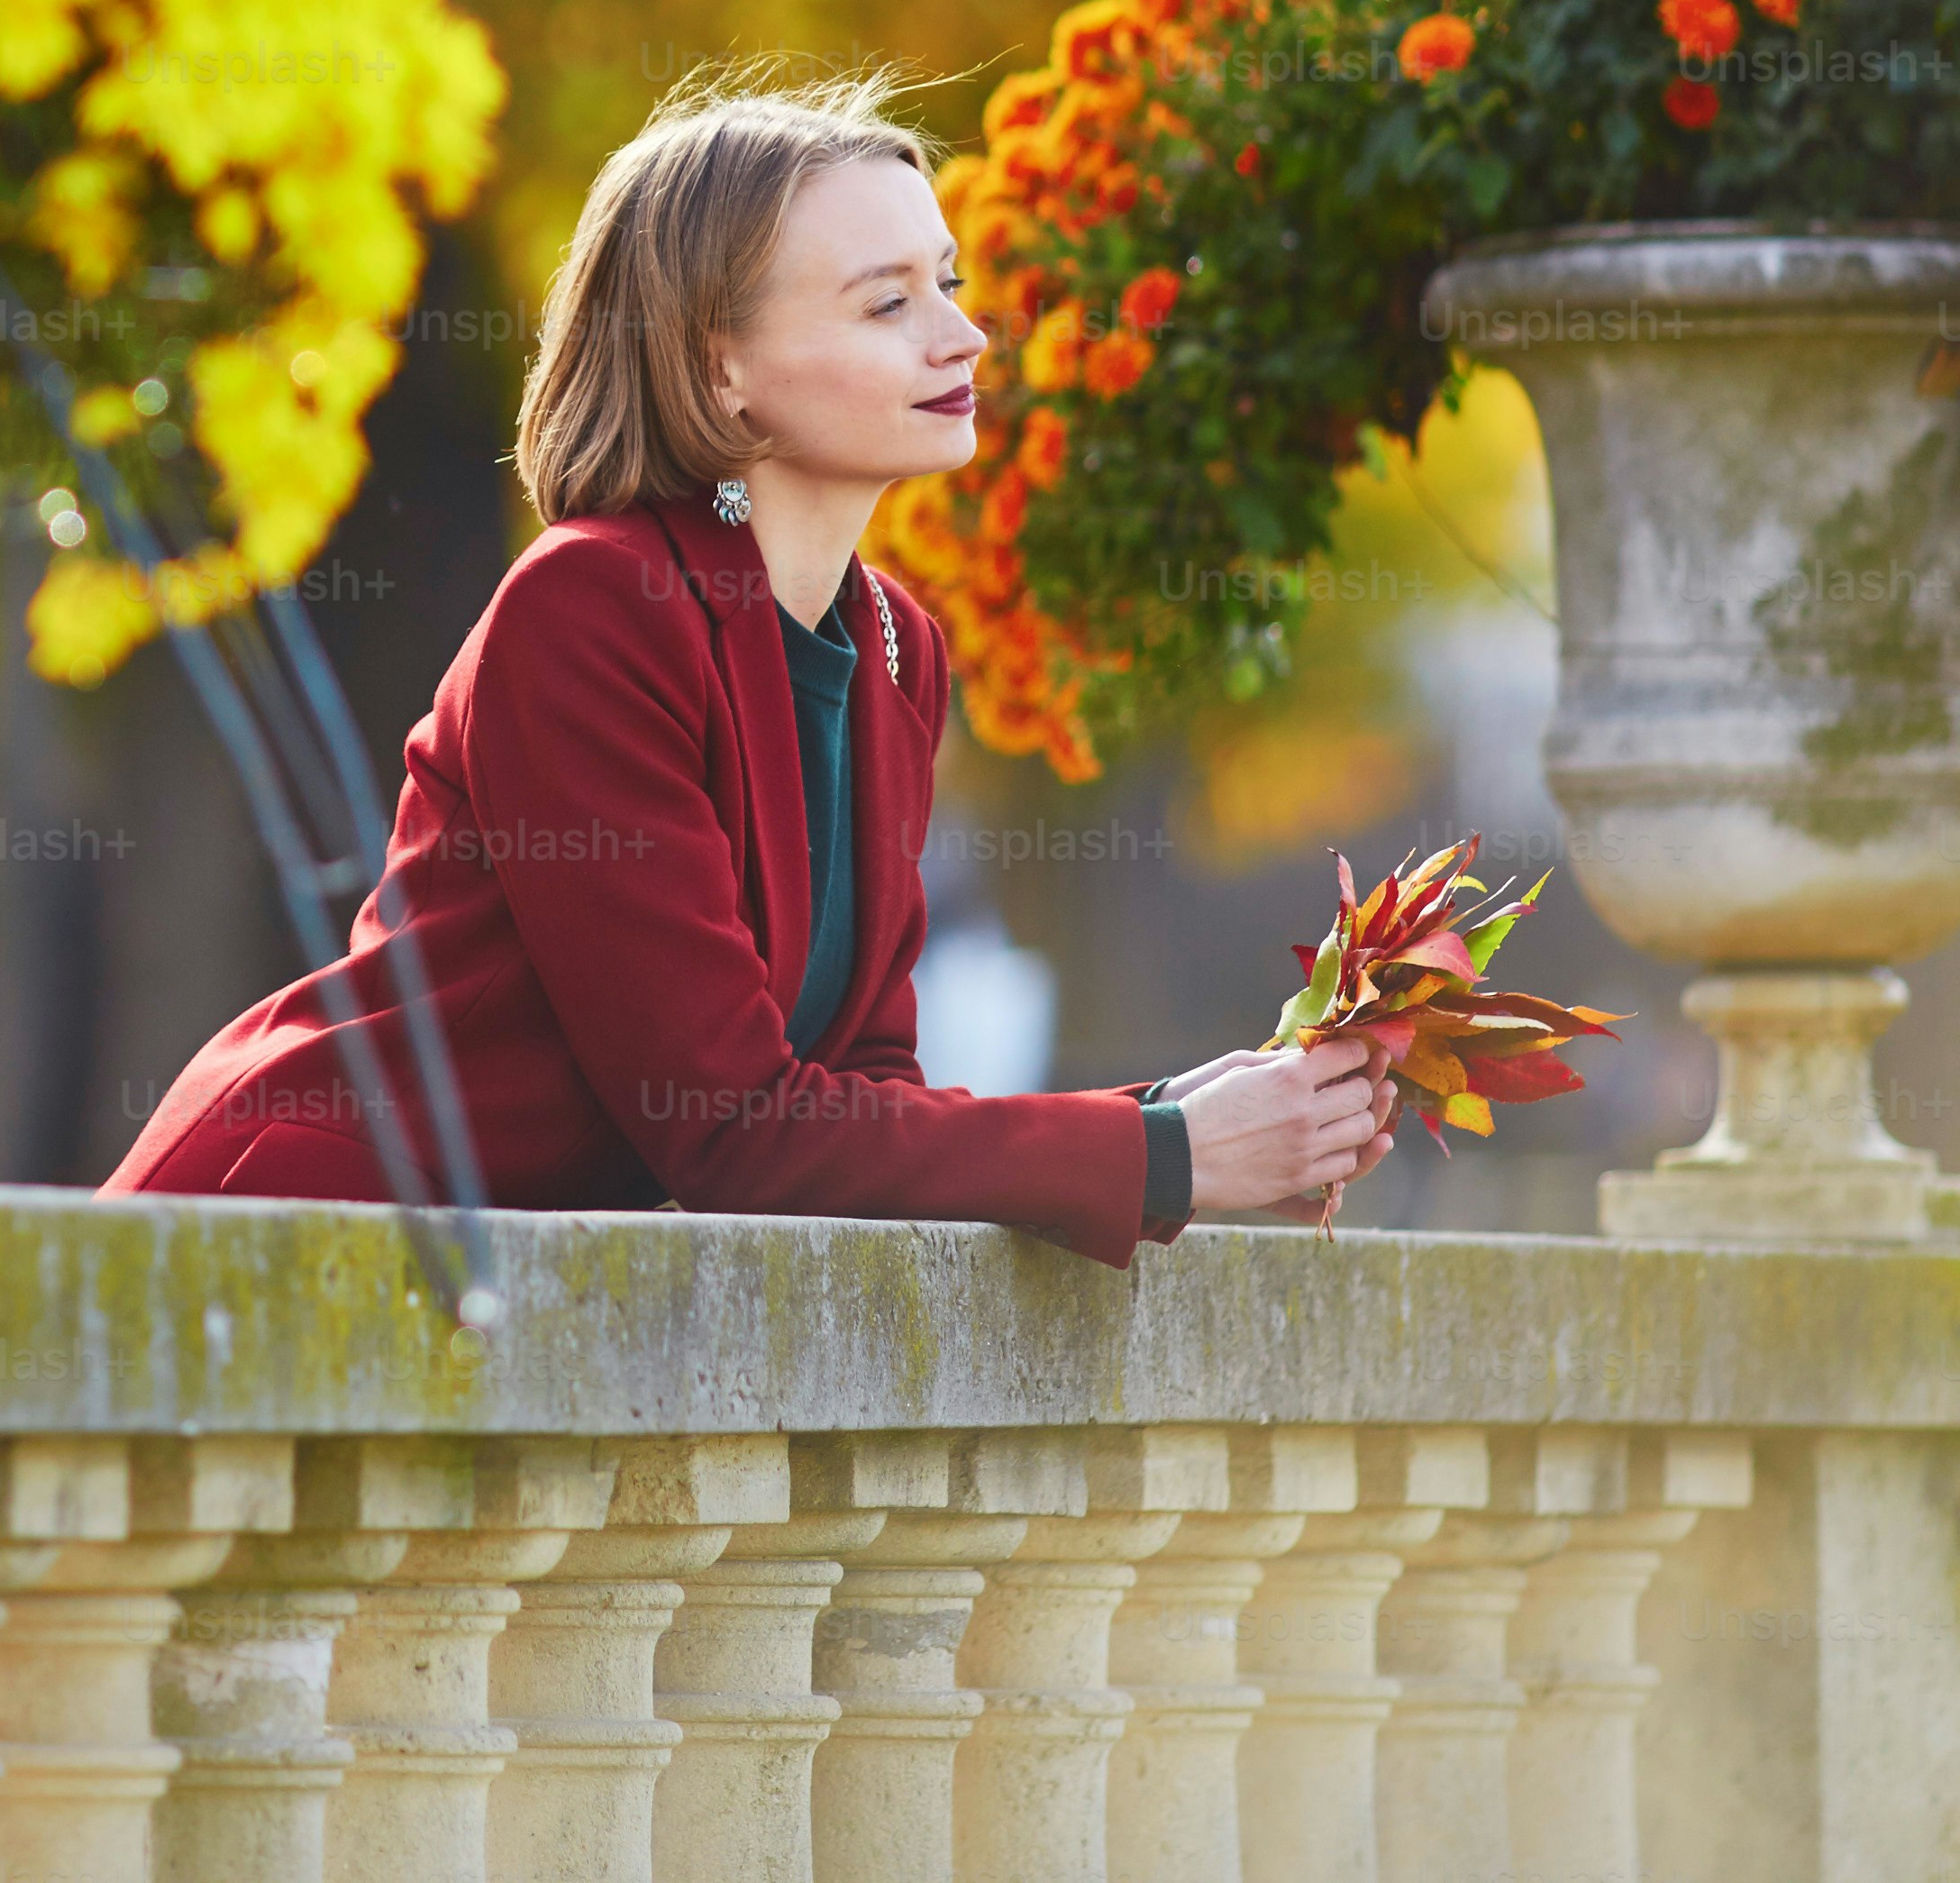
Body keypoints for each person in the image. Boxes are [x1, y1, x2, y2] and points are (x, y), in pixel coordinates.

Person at [107, 73, 1397, 1263]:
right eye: (890, 302)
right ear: (721, 370)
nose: (963, 339)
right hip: (290, 1248)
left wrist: (1189, 1121)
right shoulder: (594, 606)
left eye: (946, 283)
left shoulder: (892, 646)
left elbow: (863, 1099)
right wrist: (1164, 1157)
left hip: (499, 1296)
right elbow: (732, 1132)